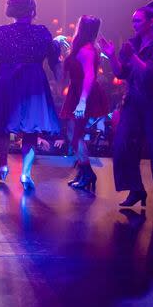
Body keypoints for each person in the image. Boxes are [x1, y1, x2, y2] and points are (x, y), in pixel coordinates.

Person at [98, 1, 153, 209]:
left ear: (151, 22)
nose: (133, 23)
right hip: (134, 100)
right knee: (122, 144)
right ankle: (136, 189)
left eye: (137, 20)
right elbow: (120, 72)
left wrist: (134, 57)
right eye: (132, 20)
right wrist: (111, 55)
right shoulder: (132, 43)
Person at [0, 0, 61, 190]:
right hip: (33, 80)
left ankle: (3, 165)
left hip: (8, 78)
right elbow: (53, 57)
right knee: (31, 128)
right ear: (32, 10)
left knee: (3, 124)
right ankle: (26, 174)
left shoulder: (0, 31)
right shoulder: (42, 31)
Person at [59, 15, 108, 192]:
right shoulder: (84, 47)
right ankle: (83, 171)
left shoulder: (87, 49)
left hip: (82, 93)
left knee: (76, 135)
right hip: (77, 91)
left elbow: (89, 76)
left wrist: (82, 102)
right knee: (74, 133)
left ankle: (87, 173)